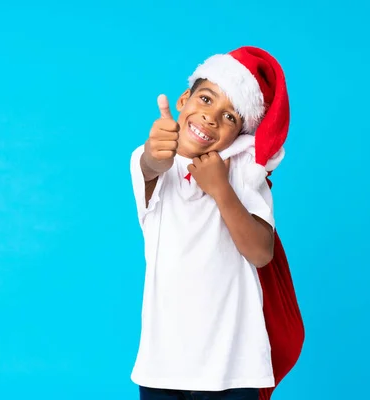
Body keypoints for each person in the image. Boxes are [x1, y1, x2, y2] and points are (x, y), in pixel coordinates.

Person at [129, 46, 304, 400]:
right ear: (183, 99)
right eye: (206, 100)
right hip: (163, 364)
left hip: (234, 366)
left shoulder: (243, 170)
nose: (211, 117)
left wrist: (222, 190)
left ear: (240, 132)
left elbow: (260, 253)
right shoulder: (149, 159)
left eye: (230, 117)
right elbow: (151, 166)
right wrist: (154, 152)